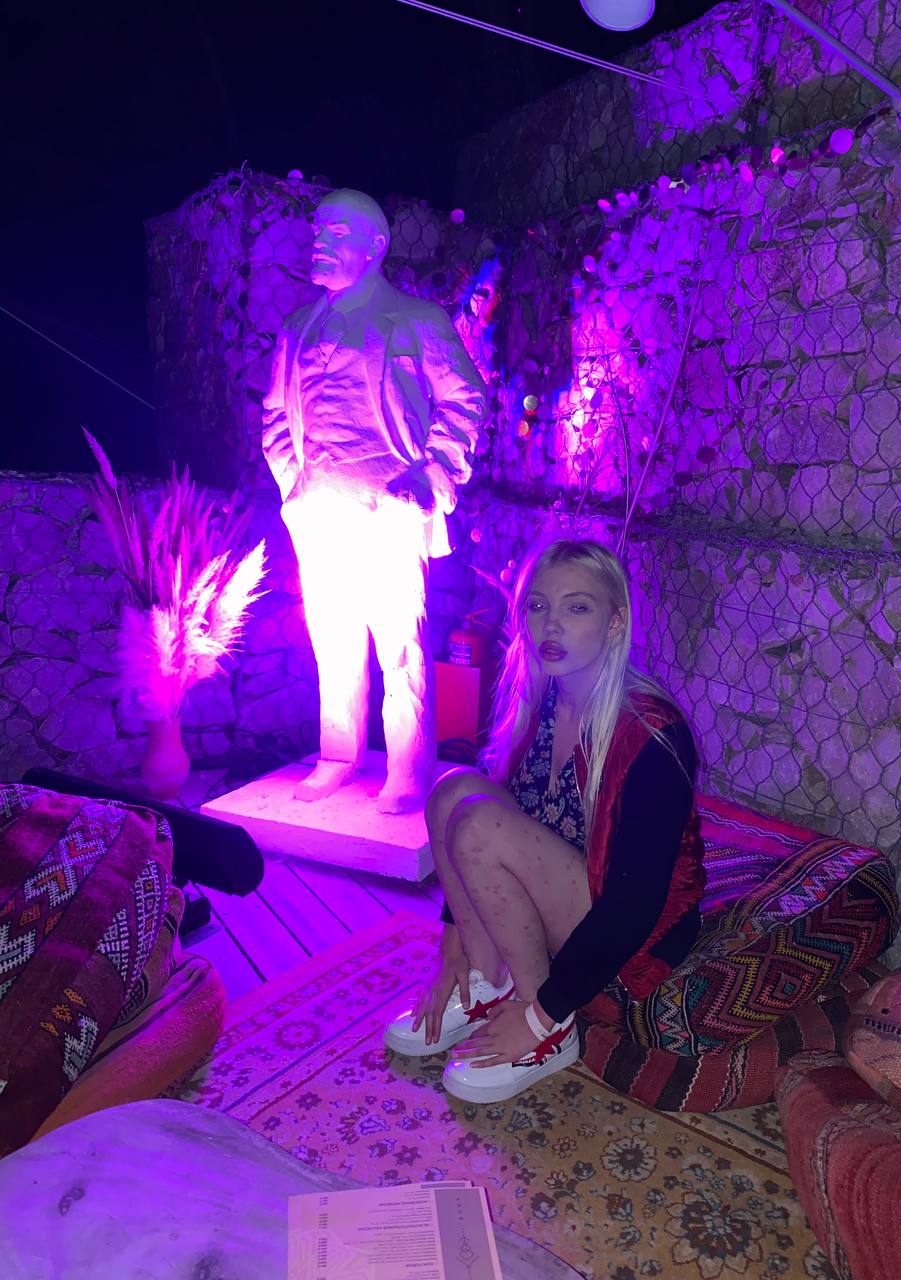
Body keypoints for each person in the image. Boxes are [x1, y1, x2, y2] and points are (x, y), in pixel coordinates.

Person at [384, 538, 706, 1103]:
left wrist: (544, 1011)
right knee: (450, 791)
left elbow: (635, 904)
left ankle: (547, 1027)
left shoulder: (653, 735)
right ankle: (484, 979)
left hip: (636, 932)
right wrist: (452, 949)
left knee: (479, 825)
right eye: (538, 606)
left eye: (576, 607)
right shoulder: (540, 703)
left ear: (615, 623)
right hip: (571, 895)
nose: (551, 625)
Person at [262, 188, 487, 814]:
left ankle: (409, 770)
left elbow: (465, 399)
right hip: (320, 513)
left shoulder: (417, 321)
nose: (319, 241)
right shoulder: (296, 330)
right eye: (318, 230)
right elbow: (275, 414)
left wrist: (431, 476)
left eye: (337, 232)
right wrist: (294, 485)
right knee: (333, 641)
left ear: (376, 246)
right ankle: (338, 757)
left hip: (390, 512)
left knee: (400, 647)